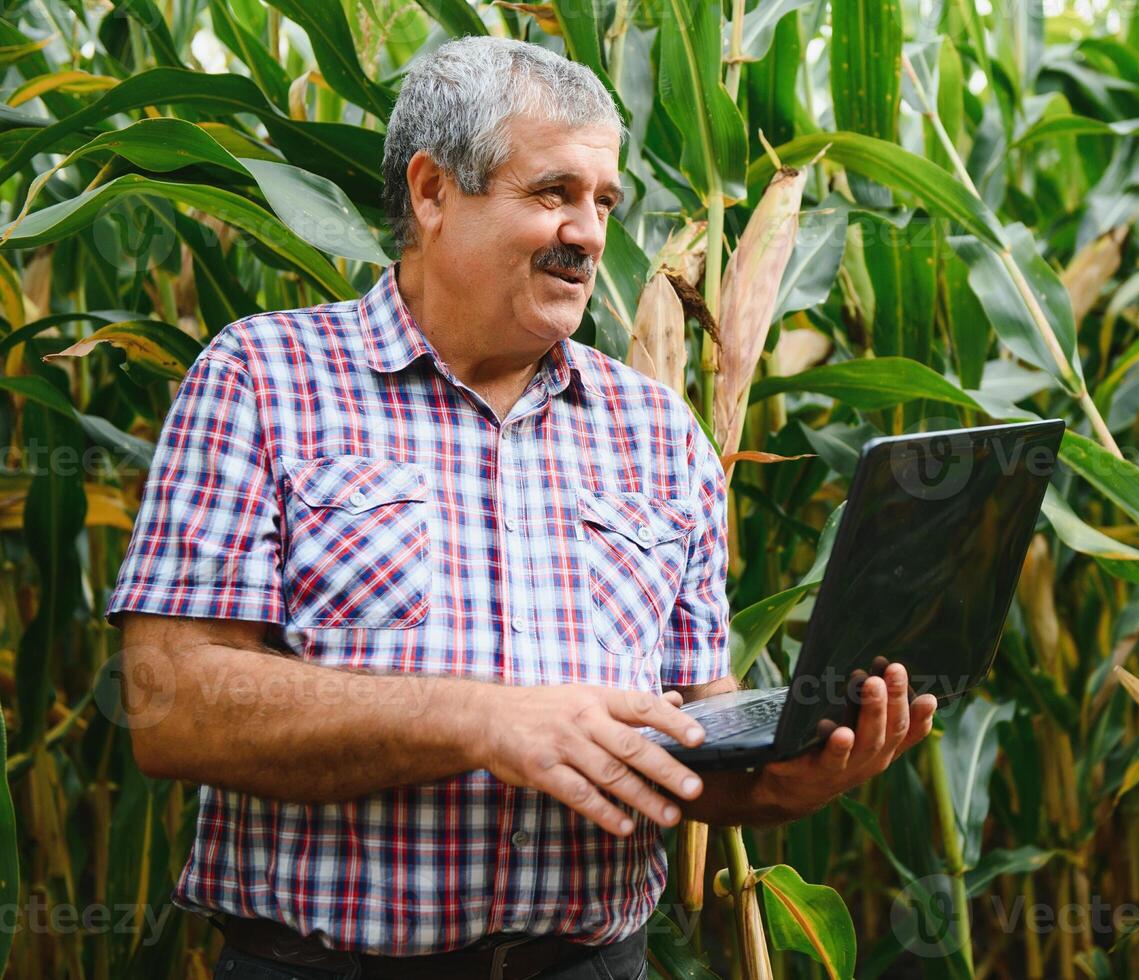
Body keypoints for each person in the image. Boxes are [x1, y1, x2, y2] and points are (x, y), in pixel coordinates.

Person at [109, 36, 938, 980]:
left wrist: (782, 777)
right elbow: (169, 703)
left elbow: (692, 732)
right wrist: (482, 721)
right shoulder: (264, 378)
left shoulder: (656, 431)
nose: (589, 232)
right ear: (430, 193)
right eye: (552, 193)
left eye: (603, 201)